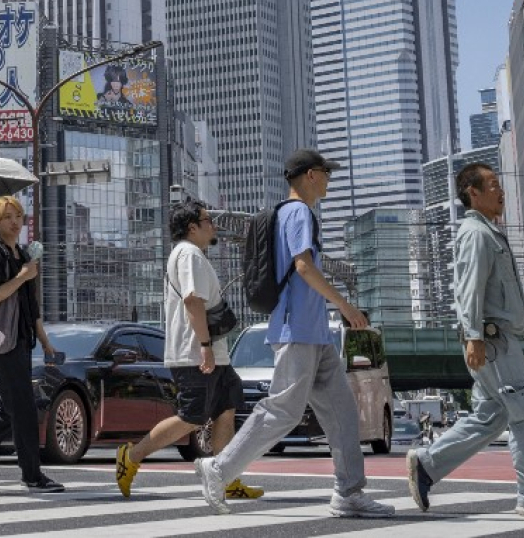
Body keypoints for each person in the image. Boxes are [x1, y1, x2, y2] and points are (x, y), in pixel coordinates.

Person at [194, 150, 393, 518]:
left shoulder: (290, 214)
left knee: (343, 412)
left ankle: (349, 492)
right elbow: (303, 266)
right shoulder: (299, 213)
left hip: (314, 334)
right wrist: (345, 307)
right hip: (298, 330)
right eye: (326, 173)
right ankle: (219, 468)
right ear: (311, 175)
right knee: (282, 411)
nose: (329, 180)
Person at [407, 163, 524, 519]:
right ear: (472, 192)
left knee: (491, 416)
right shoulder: (476, 234)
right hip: (492, 341)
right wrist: (473, 337)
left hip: (499, 339)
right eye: (492, 185)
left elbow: (509, 295)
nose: (500, 191)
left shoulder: (490, 233)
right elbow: (469, 291)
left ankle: (427, 464)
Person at [116, 198, 261, 501]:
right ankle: (131, 456)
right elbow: (193, 301)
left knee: (226, 409)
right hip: (195, 352)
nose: (214, 224)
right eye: (208, 220)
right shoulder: (189, 254)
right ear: (192, 227)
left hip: (212, 353)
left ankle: (225, 478)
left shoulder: (193, 254)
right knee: (192, 416)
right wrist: (205, 347)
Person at [0, 196, 63, 493]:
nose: (15, 221)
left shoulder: (21, 254)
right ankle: (32, 474)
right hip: (2, 341)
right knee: (21, 408)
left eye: (19, 216)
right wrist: (22, 277)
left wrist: (45, 342)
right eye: (8, 217)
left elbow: (30, 306)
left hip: (20, 340)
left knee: (10, 408)